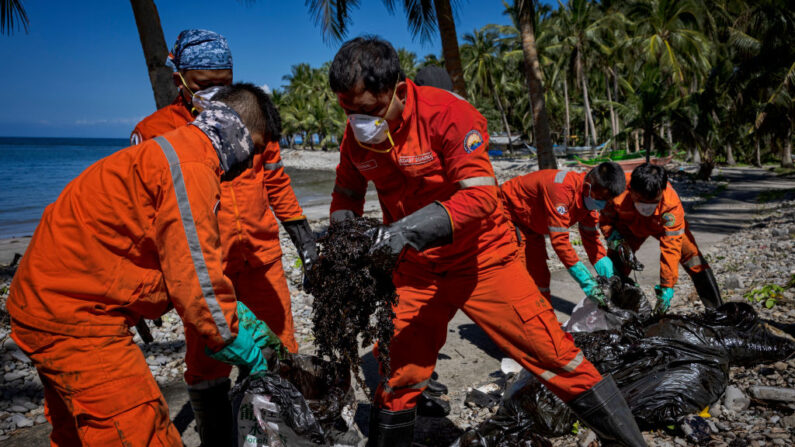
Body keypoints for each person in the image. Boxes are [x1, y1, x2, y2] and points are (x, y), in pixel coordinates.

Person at [326, 36, 646, 447]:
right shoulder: (356, 137)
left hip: (484, 260)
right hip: (418, 271)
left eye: (368, 110)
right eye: (348, 111)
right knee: (398, 376)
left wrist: (401, 232)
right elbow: (348, 193)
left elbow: (479, 197)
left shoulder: (450, 116)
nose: (358, 121)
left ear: (399, 92)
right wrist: (340, 240)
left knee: (557, 357)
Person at [7, 84, 283, 446]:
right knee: (139, 431)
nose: (251, 163)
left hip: (45, 302)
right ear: (239, 132)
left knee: (76, 434)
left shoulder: (174, 152)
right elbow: (196, 278)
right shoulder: (191, 167)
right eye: (256, 148)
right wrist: (237, 342)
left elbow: (167, 256)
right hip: (77, 319)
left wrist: (237, 316)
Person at [130, 30, 317, 445]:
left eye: (223, 83)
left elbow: (277, 182)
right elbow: (144, 212)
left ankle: (278, 435)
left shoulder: (251, 118)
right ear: (179, 79)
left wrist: (304, 237)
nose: (215, 94)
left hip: (260, 257)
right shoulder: (154, 131)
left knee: (280, 349)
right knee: (207, 361)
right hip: (205, 273)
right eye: (203, 86)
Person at [600, 163, 722, 313]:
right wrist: (614, 238)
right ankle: (609, 311)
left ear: (662, 192)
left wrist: (667, 287)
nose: (646, 207)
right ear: (631, 189)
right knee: (615, 267)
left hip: (661, 227)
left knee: (693, 258)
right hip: (628, 228)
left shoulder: (672, 205)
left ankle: (717, 310)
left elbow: (671, 248)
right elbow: (605, 219)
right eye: (641, 200)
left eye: (652, 202)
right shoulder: (616, 190)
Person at [500, 163, 626, 304]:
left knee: (540, 276)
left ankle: (545, 319)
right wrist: (586, 281)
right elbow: (560, 242)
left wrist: (611, 275)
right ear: (587, 188)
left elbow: (591, 240)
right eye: (602, 200)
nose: (603, 205)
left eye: (608, 200)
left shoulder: (589, 202)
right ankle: (526, 322)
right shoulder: (561, 192)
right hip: (510, 214)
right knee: (522, 276)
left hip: (531, 222)